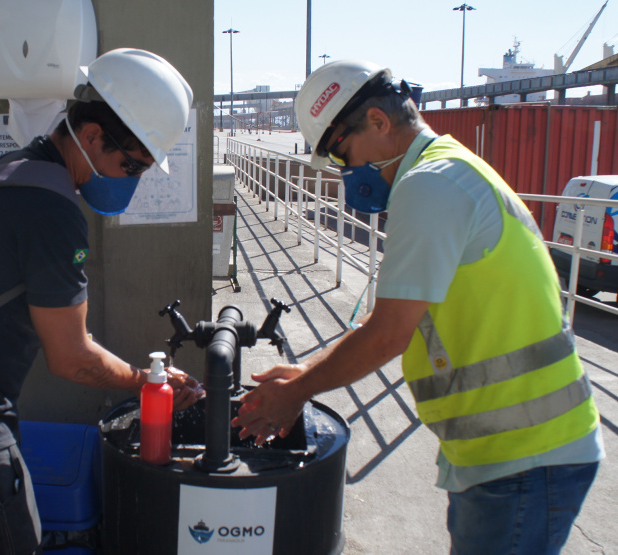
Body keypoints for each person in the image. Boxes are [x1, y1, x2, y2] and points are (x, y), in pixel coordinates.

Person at [232, 59, 603, 554]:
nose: (347, 172)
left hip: (525, 456)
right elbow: (392, 316)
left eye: (342, 153)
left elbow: (389, 334)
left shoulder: (430, 185)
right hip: (511, 451)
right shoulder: (447, 170)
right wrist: (305, 373)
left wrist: (297, 391)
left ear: (380, 123)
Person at [0, 48, 203, 554]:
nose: (132, 181)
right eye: (132, 165)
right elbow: (71, 358)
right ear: (92, 136)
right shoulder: (52, 210)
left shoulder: (15, 171)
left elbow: (59, 329)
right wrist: (147, 382)